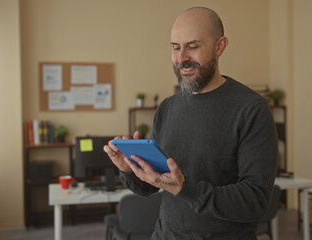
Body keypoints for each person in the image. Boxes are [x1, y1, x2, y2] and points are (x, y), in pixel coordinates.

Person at [103, 7, 278, 239]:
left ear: (220, 46)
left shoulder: (251, 109)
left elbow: (255, 201)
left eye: (193, 46)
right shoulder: (167, 108)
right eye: (175, 47)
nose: (182, 58)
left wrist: (185, 189)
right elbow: (154, 185)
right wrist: (129, 170)